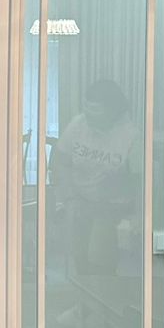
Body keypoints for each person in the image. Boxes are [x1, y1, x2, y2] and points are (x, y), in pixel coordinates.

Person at [51, 79, 141, 277]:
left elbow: (138, 184)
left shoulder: (131, 136)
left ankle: (100, 293)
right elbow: (60, 162)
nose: (89, 116)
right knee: (80, 258)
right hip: (79, 200)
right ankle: (85, 295)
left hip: (111, 206)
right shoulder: (78, 124)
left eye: (96, 111)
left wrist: (137, 215)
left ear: (113, 110)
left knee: (99, 257)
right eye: (87, 109)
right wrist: (68, 198)